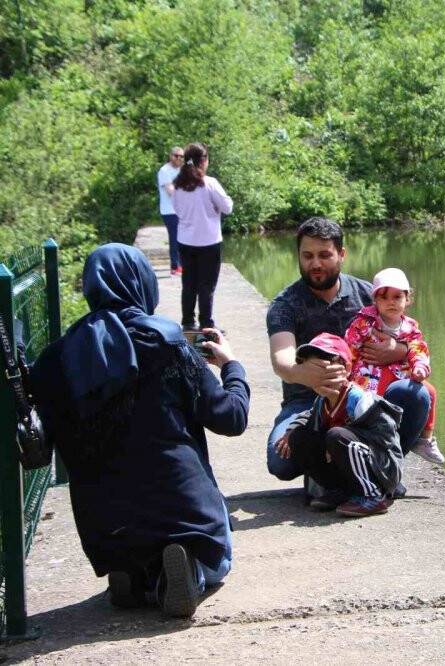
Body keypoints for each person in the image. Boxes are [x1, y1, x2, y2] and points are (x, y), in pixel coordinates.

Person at [29, 243, 249, 618]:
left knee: (126, 530)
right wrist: (232, 367)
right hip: (182, 513)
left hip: (106, 529)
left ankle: (133, 571)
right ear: (143, 282)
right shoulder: (164, 340)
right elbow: (230, 418)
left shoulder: (55, 360)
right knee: (221, 557)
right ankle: (191, 569)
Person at [265, 217, 430, 507]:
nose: (315, 263)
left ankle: (383, 472)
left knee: (416, 393)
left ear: (342, 254)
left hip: (367, 393)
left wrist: (399, 350)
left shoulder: (370, 293)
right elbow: (282, 360)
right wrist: (307, 375)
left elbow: (413, 336)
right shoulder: (285, 305)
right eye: (307, 256)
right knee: (281, 462)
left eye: (324, 255)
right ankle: (335, 476)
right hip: (306, 400)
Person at [275, 333, 403, 517]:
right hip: (347, 466)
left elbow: (387, 435)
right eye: (312, 368)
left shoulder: (358, 400)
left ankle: (373, 496)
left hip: (379, 468)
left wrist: (350, 434)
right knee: (301, 437)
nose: (319, 374)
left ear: (346, 368)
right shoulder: (321, 402)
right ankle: (339, 491)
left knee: (337, 436)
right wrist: (291, 430)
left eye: (325, 365)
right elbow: (309, 416)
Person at [345, 267, 444, 464]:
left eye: (397, 297)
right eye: (384, 297)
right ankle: (374, 442)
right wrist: (345, 369)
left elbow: (418, 347)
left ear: (407, 299)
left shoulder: (409, 327)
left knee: (429, 392)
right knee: (374, 406)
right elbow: (350, 346)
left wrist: (419, 365)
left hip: (399, 375)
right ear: (375, 301)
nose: (391, 302)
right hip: (369, 375)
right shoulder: (365, 323)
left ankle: (424, 439)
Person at [173, 142, 233, 331]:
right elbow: (228, 207)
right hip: (209, 241)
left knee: (188, 283)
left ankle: (188, 322)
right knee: (206, 285)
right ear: (204, 160)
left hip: (185, 241)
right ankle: (206, 324)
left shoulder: (178, 185)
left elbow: (177, 210)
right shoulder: (210, 183)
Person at [157, 146, 184, 276]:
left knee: (183, 237)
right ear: (170, 156)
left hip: (182, 210)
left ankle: (183, 265)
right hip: (169, 211)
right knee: (175, 237)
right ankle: (175, 267)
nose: (178, 158)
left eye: (181, 156)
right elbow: (170, 191)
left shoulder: (183, 170)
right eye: (176, 155)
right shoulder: (164, 171)